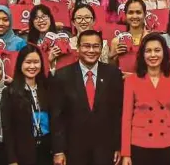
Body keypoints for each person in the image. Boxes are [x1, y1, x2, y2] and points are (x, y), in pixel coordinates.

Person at [50, 30, 125, 165]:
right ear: (78, 48)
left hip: (105, 150)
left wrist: (118, 146)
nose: (91, 50)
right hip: (73, 150)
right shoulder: (62, 76)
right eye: (86, 46)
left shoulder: (113, 74)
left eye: (95, 46)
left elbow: (117, 113)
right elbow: (57, 117)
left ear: (101, 48)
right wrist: (58, 150)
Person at [120, 33, 170, 165]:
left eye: (157, 50)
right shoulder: (131, 81)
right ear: (142, 55)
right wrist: (126, 153)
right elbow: (126, 118)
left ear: (164, 53)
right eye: (148, 51)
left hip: (167, 143)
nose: (153, 55)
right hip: (139, 144)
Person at [1, 45, 54, 165]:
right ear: (20, 64)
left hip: (47, 151)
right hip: (23, 153)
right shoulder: (10, 92)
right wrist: (12, 159)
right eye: (28, 62)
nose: (32, 66)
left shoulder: (47, 88)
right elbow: (7, 129)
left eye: (36, 62)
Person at [109, 0, 150, 64]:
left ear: (145, 14)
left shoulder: (152, 39)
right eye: (130, 12)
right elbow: (112, 67)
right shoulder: (116, 41)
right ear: (125, 15)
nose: (134, 16)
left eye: (138, 12)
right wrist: (112, 55)